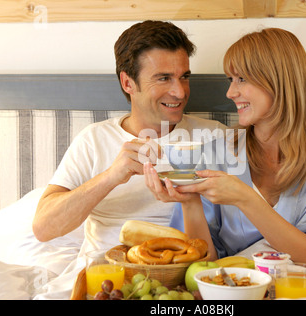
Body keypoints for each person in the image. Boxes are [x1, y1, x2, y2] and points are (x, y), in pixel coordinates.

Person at [144, 27, 306, 269]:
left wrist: (245, 198)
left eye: (242, 79)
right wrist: (189, 201)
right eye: (231, 79)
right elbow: (203, 264)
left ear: (278, 81)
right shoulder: (216, 153)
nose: (230, 92)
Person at [32, 20, 226, 256]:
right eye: (164, 78)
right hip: (105, 276)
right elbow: (44, 228)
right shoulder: (94, 139)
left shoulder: (216, 137)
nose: (180, 91)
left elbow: (240, 227)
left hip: (180, 271)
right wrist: (110, 177)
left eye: (184, 76)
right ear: (128, 83)